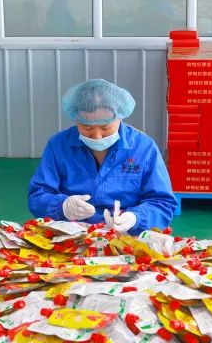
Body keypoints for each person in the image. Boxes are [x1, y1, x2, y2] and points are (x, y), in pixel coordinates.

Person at [29, 79, 176, 235]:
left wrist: (135, 218)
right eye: (87, 127)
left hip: (126, 238)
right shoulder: (58, 145)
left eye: (106, 127)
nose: (97, 136)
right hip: (71, 237)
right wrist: (62, 206)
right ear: (76, 119)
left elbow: (163, 203)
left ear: (120, 117)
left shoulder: (143, 148)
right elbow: (38, 194)